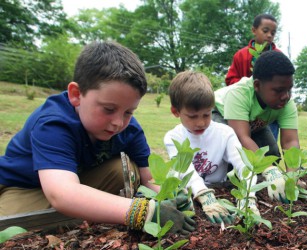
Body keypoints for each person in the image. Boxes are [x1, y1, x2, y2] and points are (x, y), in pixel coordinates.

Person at [0, 41, 195, 235]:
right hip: (22, 187)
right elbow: (62, 194)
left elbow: (150, 177)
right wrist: (144, 212)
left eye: (129, 112)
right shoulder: (54, 123)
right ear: (76, 95)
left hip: (74, 179)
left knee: (124, 169)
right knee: (14, 232)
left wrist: (172, 197)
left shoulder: (129, 129)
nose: (118, 122)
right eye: (109, 109)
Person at [164, 71, 260, 224]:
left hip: (220, 191)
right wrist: (204, 195)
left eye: (206, 115)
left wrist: (248, 195)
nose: (201, 123)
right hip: (190, 197)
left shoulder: (225, 133)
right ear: (176, 112)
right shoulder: (173, 138)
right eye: (193, 116)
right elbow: (185, 170)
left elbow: (244, 165)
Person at [213, 50, 300, 203]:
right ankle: (228, 189)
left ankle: (261, 185)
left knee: (271, 154)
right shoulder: (239, 94)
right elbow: (242, 137)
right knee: (229, 157)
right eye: (279, 90)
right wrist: (269, 170)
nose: (285, 96)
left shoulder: (287, 103)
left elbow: (290, 142)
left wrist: (292, 176)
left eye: (289, 89)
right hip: (220, 116)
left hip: (253, 123)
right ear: (257, 85)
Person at [225, 13, 281, 140]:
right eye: (265, 31)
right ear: (254, 30)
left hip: (268, 111)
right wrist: (247, 86)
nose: (269, 35)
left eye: (273, 33)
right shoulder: (242, 55)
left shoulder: (279, 57)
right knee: (242, 141)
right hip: (243, 109)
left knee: (269, 144)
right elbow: (230, 80)